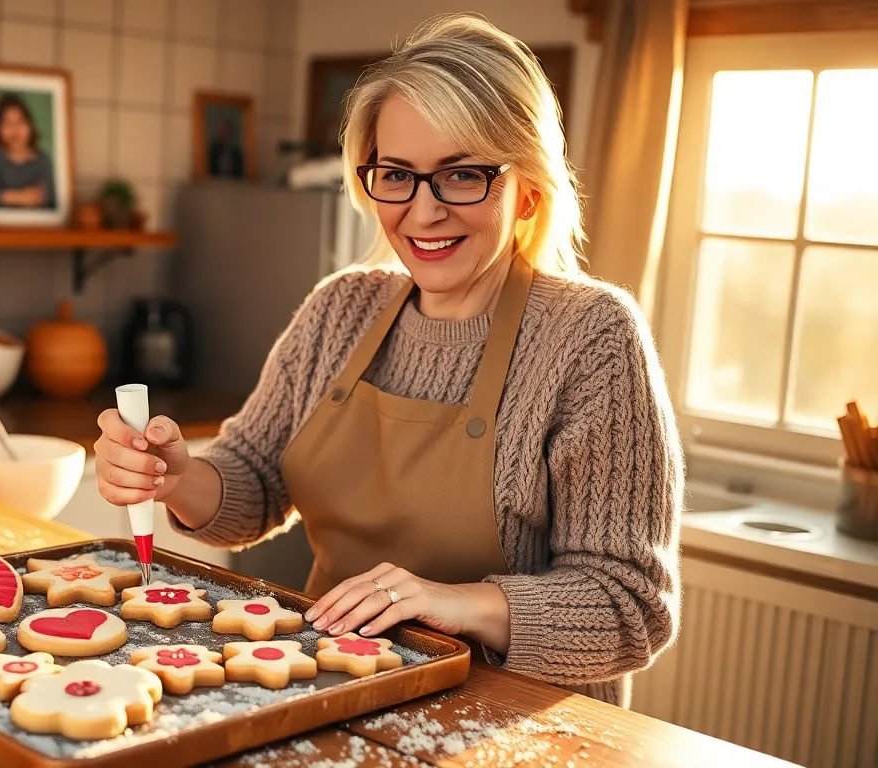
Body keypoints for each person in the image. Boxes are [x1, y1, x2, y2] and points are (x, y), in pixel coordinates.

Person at [93, 13, 683, 708]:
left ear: (527, 190)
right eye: (396, 175)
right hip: (331, 693)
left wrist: (452, 603)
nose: (423, 212)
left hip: (515, 726)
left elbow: (630, 608)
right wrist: (177, 475)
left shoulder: (591, 338)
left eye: (462, 175)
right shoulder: (340, 309)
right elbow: (250, 482)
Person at [0, 92, 55, 208]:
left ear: (30, 126)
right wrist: (19, 197)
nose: (14, 130)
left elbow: (50, 198)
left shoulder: (42, 159)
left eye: (19, 122)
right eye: (7, 123)